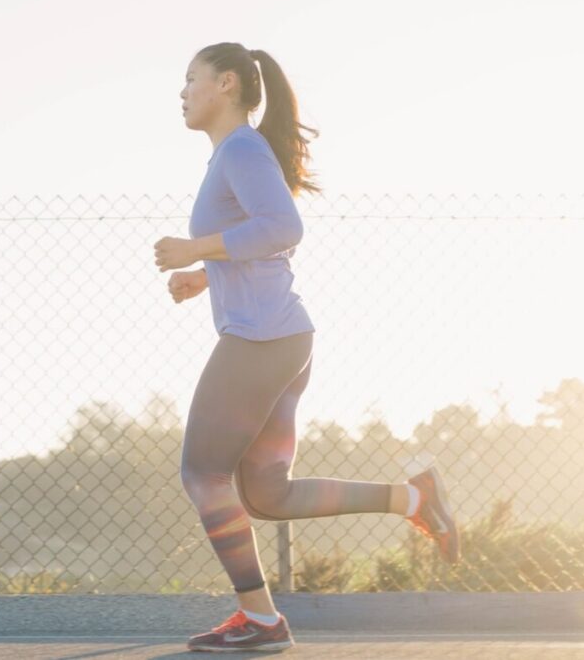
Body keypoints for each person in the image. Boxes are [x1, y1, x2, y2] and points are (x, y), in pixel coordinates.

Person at [154, 42, 461, 653]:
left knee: (203, 473)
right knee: (267, 494)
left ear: (229, 85)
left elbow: (284, 228)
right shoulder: (232, 155)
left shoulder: (240, 148)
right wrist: (206, 274)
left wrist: (195, 249)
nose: (182, 91)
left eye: (192, 79)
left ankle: (262, 621)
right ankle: (414, 497)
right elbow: (263, 241)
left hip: (262, 340)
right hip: (284, 338)